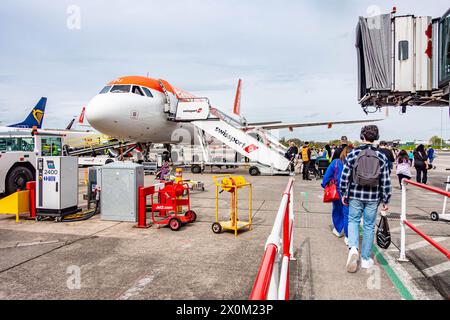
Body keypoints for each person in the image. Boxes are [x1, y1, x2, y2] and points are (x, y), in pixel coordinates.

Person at [340, 125, 391, 273]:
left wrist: (344, 193)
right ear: (376, 137)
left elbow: (345, 177)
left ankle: (354, 247)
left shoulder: (354, 153)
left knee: (353, 221)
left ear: (362, 136)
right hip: (373, 196)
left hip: (355, 194)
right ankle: (365, 259)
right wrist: (385, 200)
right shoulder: (381, 156)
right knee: (369, 225)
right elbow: (385, 181)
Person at [322, 146, 353, 245]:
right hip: (350, 191)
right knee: (347, 214)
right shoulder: (354, 163)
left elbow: (326, 178)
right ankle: (348, 236)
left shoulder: (335, 162)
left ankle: (339, 230)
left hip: (337, 190)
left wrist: (326, 185)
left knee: (337, 210)